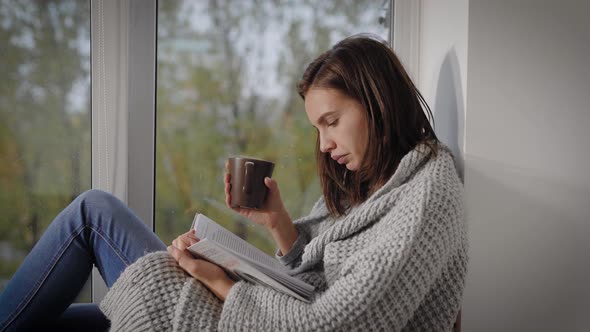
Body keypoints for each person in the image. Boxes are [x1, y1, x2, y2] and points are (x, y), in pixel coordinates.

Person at [0, 34, 467, 331]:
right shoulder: (382, 183)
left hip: (244, 318)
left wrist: (216, 280)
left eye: (332, 121)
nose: (324, 145)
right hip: (254, 314)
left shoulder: (426, 196)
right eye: (317, 129)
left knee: (93, 213)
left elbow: (330, 324)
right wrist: (278, 223)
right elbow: (316, 281)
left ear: (378, 101)